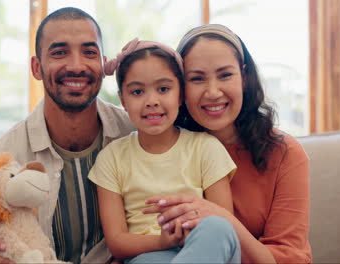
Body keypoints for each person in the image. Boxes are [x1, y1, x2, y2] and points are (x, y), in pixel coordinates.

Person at [0, 7, 135, 264]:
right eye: (59, 52)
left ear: (103, 64)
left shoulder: (135, 133)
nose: (76, 65)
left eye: (89, 52)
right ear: (36, 67)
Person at [143, 24, 312, 264]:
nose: (213, 92)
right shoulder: (158, 146)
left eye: (225, 75)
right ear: (180, 86)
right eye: (197, 78)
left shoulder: (285, 154)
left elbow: (291, 258)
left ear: (243, 77)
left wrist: (222, 219)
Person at [88, 38, 240, 263]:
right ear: (123, 100)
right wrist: (163, 242)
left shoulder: (205, 148)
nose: (152, 101)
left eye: (163, 89)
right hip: (150, 254)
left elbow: (224, 220)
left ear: (180, 95)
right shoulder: (112, 158)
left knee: (218, 227)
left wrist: (190, 231)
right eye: (138, 92)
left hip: (207, 248)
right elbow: (118, 242)